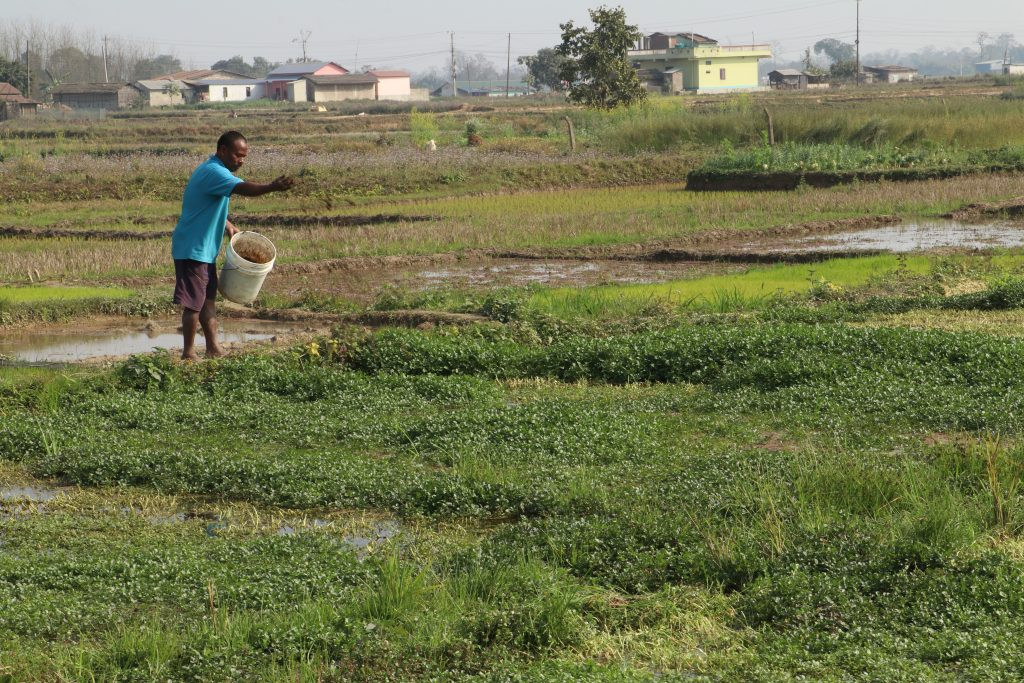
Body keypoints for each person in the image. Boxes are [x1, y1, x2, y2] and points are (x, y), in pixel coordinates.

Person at [171, 131, 294, 360]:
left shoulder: (213, 171)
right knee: (194, 304)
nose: (241, 160)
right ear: (223, 150)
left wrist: (226, 223)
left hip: (205, 250)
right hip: (193, 249)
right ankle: (188, 353)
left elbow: (203, 203)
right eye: (238, 155)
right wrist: (272, 187)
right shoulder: (214, 172)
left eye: (244, 156)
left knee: (208, 300)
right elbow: (244, 188)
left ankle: (212, 348)